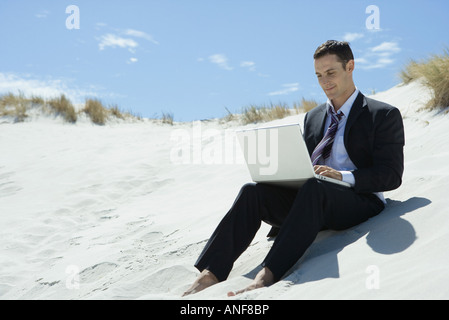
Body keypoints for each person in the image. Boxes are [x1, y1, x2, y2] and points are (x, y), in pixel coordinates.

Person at [183, 40, 405, 297]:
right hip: (311, 202)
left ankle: (266, 275)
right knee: (252, 191)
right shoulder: (313, 117)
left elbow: (391, 175)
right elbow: (305, 164)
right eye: (319, 76)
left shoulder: (382, 114)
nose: (325, 82)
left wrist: (342, 176)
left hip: (358, 201)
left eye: (331, 73)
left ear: (350, 67)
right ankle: (210, 273)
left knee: (315, 186)